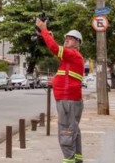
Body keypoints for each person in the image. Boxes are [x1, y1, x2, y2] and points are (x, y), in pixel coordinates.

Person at [36, 18, 85, 163]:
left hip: (68, 101)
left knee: (66, 131)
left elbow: (54, 48)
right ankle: (77, 159)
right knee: (73, 130)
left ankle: (69, 160)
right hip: (70, 100)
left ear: (77, 43)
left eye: (70, 39)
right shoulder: (70, 58)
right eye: (66, 38)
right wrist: (55, 81)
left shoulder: (73, 54)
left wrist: (44, 30)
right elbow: (66, 72)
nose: (67, 40)